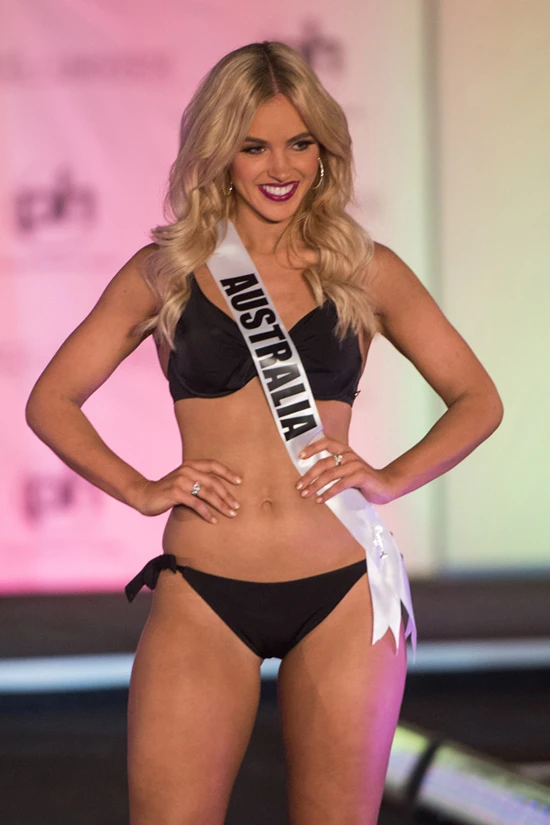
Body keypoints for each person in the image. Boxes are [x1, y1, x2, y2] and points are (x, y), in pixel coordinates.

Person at [25, 40, 503, 825]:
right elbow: (51, 400)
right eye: (254, 147)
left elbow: (477, 398)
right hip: (206, 590)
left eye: (299, 143)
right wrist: (141, 489)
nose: (280, 167)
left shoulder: (362, 268)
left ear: (324, 150)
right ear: (219, 152)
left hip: (343, 592)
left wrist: (389, 477)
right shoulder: (166, 271)